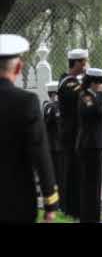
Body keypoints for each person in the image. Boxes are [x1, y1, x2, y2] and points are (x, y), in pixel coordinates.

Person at [0, 34, 59, 223]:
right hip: (17, 202)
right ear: (18, 68)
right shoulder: (26, 103)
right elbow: (40, 153)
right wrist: (50, 201)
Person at [57, 48, 89, 219]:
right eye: (83, 62)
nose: (85, 66)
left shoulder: (72, 81)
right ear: (76, 63)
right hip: (70, 136)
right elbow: (85, 97)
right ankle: (69, 208)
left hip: (73, 135)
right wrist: (89, 81)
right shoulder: (69, 83)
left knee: (75, 172)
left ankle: (73, 207)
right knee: (70, 173)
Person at [76, 68, 102, 223]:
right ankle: (87, 218)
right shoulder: (85, 96)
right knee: (89, 184)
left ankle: (94, 217)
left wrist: (100, 96)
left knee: (96, 184)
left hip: (95, 145)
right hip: (88, 145)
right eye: (101, 83)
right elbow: (92, 111)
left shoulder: (93, 97)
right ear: (94, 83)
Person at [43, 81, 65, 212]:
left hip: (51, 147)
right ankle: (60, 204)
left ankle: (54, 203)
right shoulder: (55, 107)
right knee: (60, 177)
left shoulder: (46, 106)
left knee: (54, 178)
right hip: (58, 148)